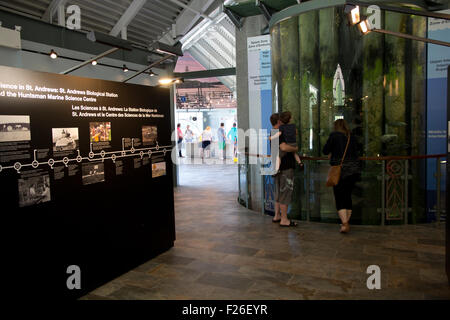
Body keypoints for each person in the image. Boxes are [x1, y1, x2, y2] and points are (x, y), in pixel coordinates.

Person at [323, 119, 361, 233]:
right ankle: (346, 221)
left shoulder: (334, 136)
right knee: (348, 196)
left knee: (339, 197)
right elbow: (358, 150)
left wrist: (333, 153)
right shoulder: (351, 137)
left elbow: (325, 150)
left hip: (339, 171)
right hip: (353, 171)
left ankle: (344, 224)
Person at [270, 113, 299, 227]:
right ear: (279, 122)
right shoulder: (281, 133)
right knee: (285, 194)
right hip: (286, 167)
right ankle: (284, 219)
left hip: (277, 168)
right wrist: (295, 148)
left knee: (278, 193)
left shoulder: (273, 132)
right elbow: (283, 147)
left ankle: (277, 215)